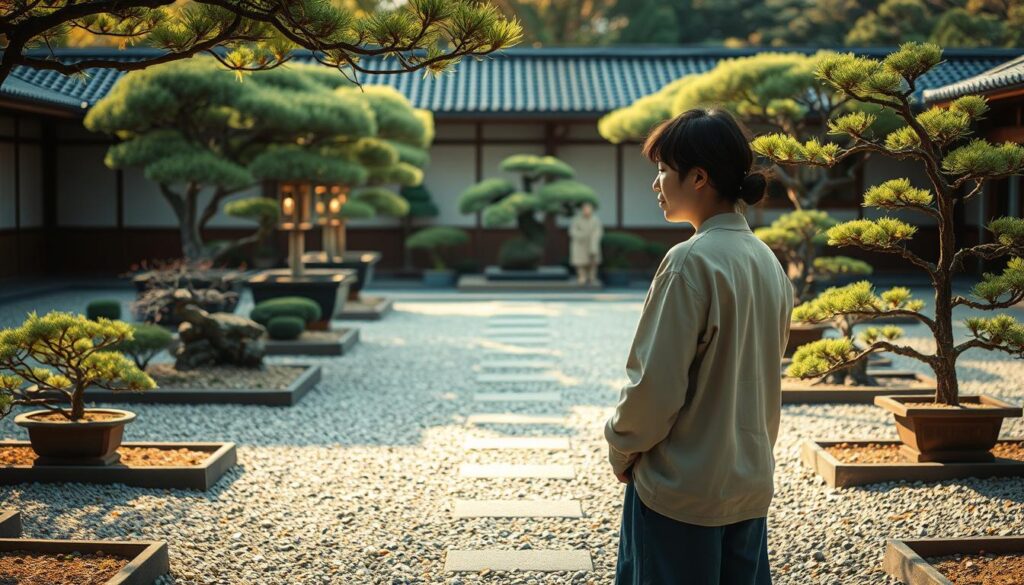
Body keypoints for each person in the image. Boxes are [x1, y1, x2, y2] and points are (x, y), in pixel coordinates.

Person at [605, 108, 794, 585]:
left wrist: (621, 445)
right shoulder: (768, 262)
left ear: (699, 177)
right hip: (747, 484)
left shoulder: (689, 261)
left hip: (682, 491)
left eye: (662, 170)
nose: (656, 184)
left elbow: (655, 387)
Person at [569, 202, 603, 285]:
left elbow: (598, 231)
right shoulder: (577, 219)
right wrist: (581, 235)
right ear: (582, 210)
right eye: (585, 209)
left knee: (593, 262)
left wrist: (594, 237)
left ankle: (592, 277)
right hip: (580, 244)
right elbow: (572, 231)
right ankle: (582, 277)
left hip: (592, 243)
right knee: (580, 263)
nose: (587, 211)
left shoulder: (596, 220)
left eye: (589, 209)